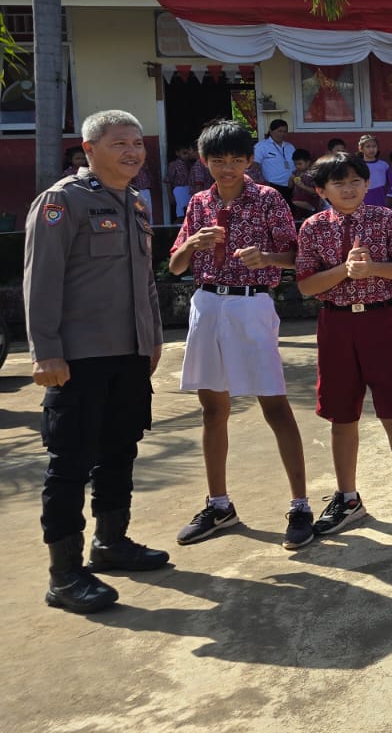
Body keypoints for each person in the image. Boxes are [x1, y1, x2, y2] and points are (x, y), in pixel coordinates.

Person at [26, 109, 168, 614]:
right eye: (119, 143)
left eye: (137, 143)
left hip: (129, 354)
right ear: (89, 149)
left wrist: (152, 340)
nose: (132, 152)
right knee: (70, 462)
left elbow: (145, 281)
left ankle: (111, 542)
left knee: (120, 449)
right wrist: (46, 350)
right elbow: (41, 279)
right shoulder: (62, 202)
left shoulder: (136, 203)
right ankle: (64, 574)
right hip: (78, 358)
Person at [167, 119, 313, 550]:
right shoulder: (198, 203)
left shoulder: (268, 198)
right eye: (218, 160)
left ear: (250, 160)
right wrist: (192, 243)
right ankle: (219, 505)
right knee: (213, 410)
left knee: (275, 406)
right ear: (204, 160)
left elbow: (297, 256)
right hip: (206, 304)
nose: (227, 168)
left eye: (235, 159)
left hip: (252, 305)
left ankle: (300, 505)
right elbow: (174, 266)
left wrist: (266, 257)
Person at [294, 151, 392, 540]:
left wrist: (372, 269)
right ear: (322, 190)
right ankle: (348, 498)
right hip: (336, 324)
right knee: (341, 416)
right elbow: (306, 285)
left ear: (368, 184)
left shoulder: (384, 218)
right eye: (338, 183)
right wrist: (344, 271)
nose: (349, 189)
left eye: (356, 180)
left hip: (380, 320)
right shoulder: (313, 227)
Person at [253, 118, 296, 205]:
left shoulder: (290, 146)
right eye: (279, 131)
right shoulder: (261, 146)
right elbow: (255, 165)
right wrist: (263, 183)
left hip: (291, 185)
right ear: (271, 131)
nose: (282, 134)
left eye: (285, 131)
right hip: (273, 186)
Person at [356, 134, 391, 209]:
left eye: (374, 146)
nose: (371, 149)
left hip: (380, 202)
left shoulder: (383, 165)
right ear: (361, 149)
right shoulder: (357, 165)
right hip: (362, 202)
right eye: (368, 146)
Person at [168, 143, 197, 219]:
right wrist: (170, 195)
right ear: (177, 153)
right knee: (182, 211)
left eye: (188, 153)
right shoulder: (174, 165)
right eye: (184, 153)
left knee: (189, 210)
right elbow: (168, 180)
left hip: (189, 189)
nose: (186, 155)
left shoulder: (191, 164)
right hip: (179, 189)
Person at [290, 148, 320, 218]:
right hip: (299, 204)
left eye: (300, 164)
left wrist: (303, 186)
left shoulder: (313, 174)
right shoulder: (296, 173)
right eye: (295, 164)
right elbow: (290, 186)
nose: (297, 166)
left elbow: (316, 191)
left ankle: (313, 210)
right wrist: (291, 179)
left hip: (310, 201)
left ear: (308, 162)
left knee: (295, 200)